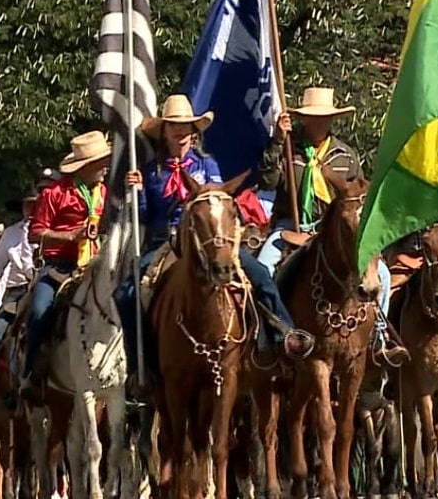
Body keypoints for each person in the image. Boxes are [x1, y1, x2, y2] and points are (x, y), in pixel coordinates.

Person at [118, 94, 314, 386]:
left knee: (259, 273)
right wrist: (134, 192)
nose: (180, 131)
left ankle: (283, 334)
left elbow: (220, 201)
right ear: (164, 131)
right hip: (168, 242)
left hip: (210, 238)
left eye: (186, 126)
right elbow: (146, 215)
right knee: (126, 292)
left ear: (195, 130)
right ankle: (140, 363)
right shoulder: (150, 172)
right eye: (174, 126)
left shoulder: (208, 166)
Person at [257, 87, 408, 366]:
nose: (319, 122)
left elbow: (360, 195)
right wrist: (277, 142)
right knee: (265, 267)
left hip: (339, 231)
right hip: (294, 225)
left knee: (383, 276)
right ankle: (269, 337)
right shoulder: (288, 148)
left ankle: (379, 339)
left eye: (325, 117)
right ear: (303, 119)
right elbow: (267, 182)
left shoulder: (345, 155)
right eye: (313, 117)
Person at [20, 131, 110, 402]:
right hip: (60, 266)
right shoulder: (55, 194)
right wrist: (70, 236)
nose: (106, 167)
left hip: (97, 264)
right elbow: (34, 233)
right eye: (100, 162)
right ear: (84, 166)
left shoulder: (105, 193)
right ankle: (32, 372)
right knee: (39, 310)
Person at [0, 189, 38, 353]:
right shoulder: (11, 233)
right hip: (16, 294)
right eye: (27, 205)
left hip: (44, 285)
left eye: (35, 204)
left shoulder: (53, 232)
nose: (31, 209)